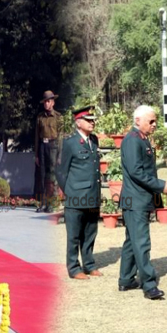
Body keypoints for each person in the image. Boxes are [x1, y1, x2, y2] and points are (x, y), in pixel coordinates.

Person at [119, 105, 167, 300]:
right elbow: (136, 172)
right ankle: (149, 284)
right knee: (142, 242)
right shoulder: (132, 141)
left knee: (131, 241)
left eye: (155, 121)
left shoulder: (140, 139)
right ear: (137, 121)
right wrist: (161, 186)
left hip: (138, 199)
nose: (154, 125)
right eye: (150, 121)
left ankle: (126, 279)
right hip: (135, 200)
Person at [56, 105, 103, 280]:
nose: (92, 123)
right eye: (88, 120)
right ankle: (74, 268)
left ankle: (89, 265)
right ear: (78, 123)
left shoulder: (94, 140)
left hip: (92, 196)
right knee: (74, 235)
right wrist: (69, 192)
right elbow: (60, 171)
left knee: (90, 232)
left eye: (93, 120)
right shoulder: (69, 143)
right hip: (76, 197)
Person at [35, 90, 62, 212]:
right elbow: (36, 136)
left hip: (53, 146)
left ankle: (53, 204)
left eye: (48, 101)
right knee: (42, 175)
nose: (46, 103)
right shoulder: (40, 117)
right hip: (42, 146)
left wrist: (60, 155)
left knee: (52, 175)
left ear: (53, 102)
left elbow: (61, 137)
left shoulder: (58, 117)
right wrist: (36, 154)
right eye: (45, 101)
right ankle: (43, 203)